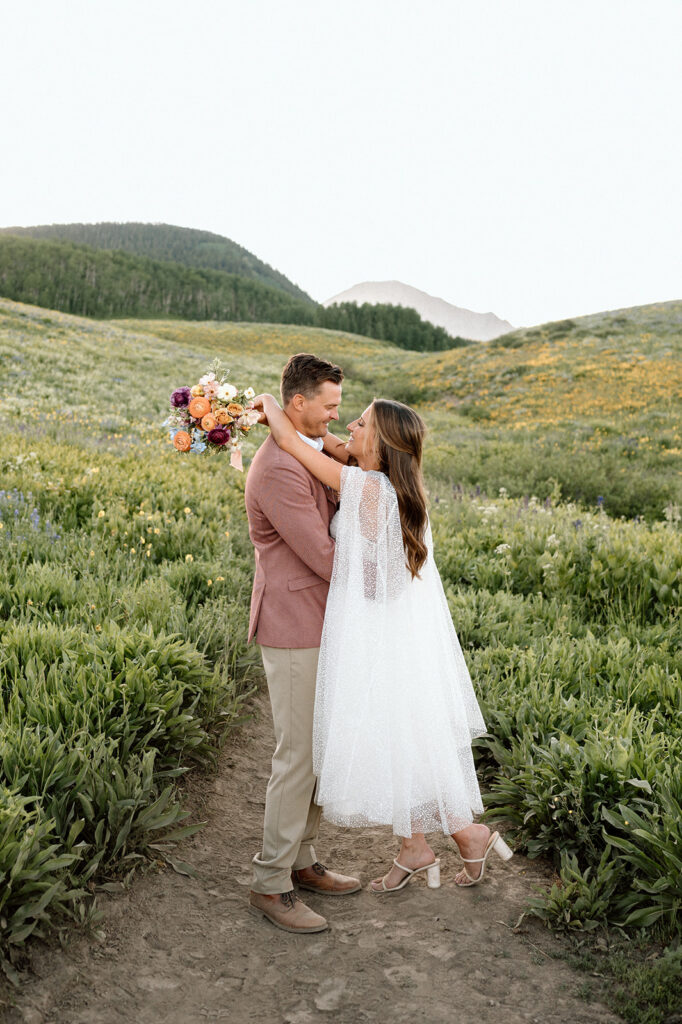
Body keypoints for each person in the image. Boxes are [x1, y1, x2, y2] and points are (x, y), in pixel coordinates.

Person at [250, 391, 513, 893]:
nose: (349, 425)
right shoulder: (380, 479)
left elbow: (292, 439)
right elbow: (324, 439)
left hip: (375, 634)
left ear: (382, 443)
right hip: (385, 629)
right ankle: (428, 842)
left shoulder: (368, 489)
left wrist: (263, 402)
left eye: (362, 423)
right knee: (400, 730)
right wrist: (309, 420)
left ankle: (462, 834)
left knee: (396, 731)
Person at [245, 353, 361, 935]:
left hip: (321, 622)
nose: (337, 417)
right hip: (293, 626)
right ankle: (271, 882)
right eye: (331, 405)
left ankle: (302, 860)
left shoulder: (306, 450)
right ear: (298, 404)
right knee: (297, 757)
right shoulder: (279, 470)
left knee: (318, 749)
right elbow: (324, 556)